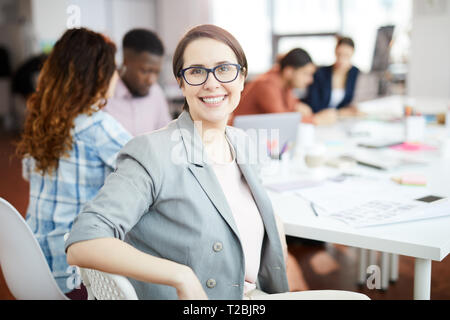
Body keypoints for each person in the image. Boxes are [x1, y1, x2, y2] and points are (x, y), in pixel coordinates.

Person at [65, 24, 369, 300]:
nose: (212, 83)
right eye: (196, 71)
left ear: (242, 77)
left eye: (224, 69)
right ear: (181, 83)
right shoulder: (151, 151)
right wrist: (180, 275)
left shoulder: (243, 143)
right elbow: (83, 241)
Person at [15, 28, 132, 298]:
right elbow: (148, 171)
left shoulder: (40, 119)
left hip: (35, 262)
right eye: (113, 68)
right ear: (99, 75)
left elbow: (27, 174)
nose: (117, 75)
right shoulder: (99, 126)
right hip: (76, 274)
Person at [103, 28, 172, 136]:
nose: (151, 80)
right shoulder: (103, 94)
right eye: (145, 71)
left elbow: (165, 135)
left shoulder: (156, 93)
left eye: (156, 72)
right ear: (126, 61)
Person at [231, 48, 316, 123]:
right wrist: (315, 120)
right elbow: (284, 120)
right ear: (289, 72)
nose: (310, 80)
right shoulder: (267, 85)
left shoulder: (285, 84)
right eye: (306, 74)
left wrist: (296, 106)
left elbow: (292, 109)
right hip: (241, 135)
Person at [304, 36, 361, 125]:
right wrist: (339, 112)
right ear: (335, 52)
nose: (341, 59)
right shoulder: (320, 73)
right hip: (318, 120)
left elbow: (349, 102)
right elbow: (314, 105)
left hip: (338, 121)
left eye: (346, 56)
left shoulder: (354, 73)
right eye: (339, 54)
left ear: (352, 54)